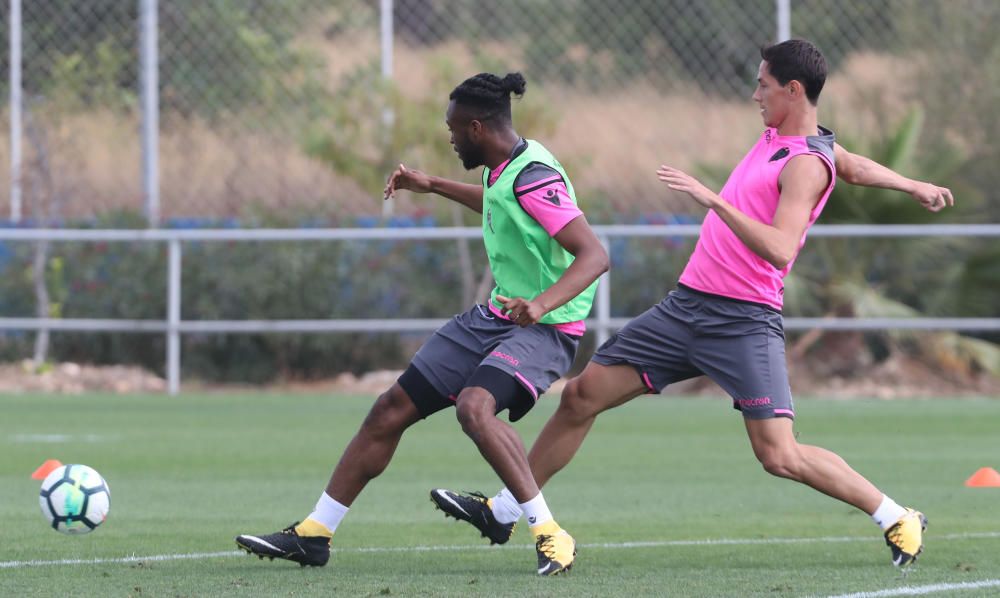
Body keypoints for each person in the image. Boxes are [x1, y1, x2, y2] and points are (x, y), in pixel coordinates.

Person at [431, 40, 954, 570]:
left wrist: (715, 200)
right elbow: (852, 164)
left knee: (778, 454)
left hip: (743, 321)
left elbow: (780, 247)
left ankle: (894, 515)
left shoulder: (805, 166)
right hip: (686, 308)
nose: (755, 95)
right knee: (581, 397)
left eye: (763, 85)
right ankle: (503, 510)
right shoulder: (795, 139)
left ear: (793, 91)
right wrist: (912, 184)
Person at [235, 72, 609, 576]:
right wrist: (430, 184)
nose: (450, 138)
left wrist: (541, 305)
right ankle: (315, 533)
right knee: (390, 409)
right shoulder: (505, 169)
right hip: (494, 317)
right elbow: (499, 202)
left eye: (453, 129)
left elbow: (594, 255)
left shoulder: (534, 175)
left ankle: (549, 533)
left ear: (477, 127)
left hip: (544, 329)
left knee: (475, 409)